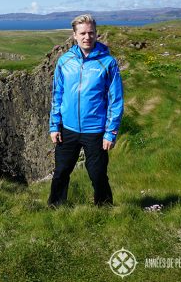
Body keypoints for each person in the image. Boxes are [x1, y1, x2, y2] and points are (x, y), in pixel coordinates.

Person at [48, 14, 124, 206]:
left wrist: (110, 133)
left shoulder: (108, 63)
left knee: (98, 174)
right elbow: (57, 94)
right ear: (74, 35)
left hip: (96, 130)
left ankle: (105, 209)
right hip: (68, 128)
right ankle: (55, 208)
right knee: (61, 172)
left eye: (91, 33)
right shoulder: (64, 61)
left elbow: (116, 101)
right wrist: (54, 126)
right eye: (82, 33)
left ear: (96, 34)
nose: (87, 37)